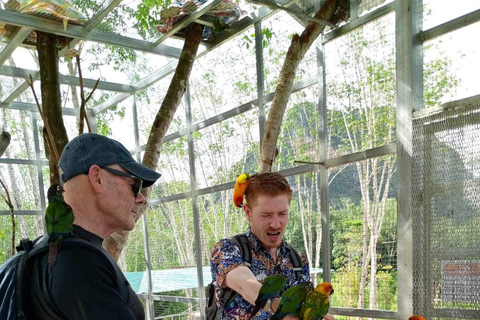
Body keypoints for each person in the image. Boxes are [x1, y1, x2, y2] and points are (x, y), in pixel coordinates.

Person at [29, 133, 161, 320]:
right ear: (97, 178)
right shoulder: (80, 265)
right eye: (134, 185)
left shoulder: (48, 252)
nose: (141, 198)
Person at [210, 172, 334, 320]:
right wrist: (276, 305)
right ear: (248, 213)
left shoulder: (298, 260)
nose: (276, 224)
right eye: (266, 215)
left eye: (282, 214)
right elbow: (244, 284)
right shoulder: (227, 249)